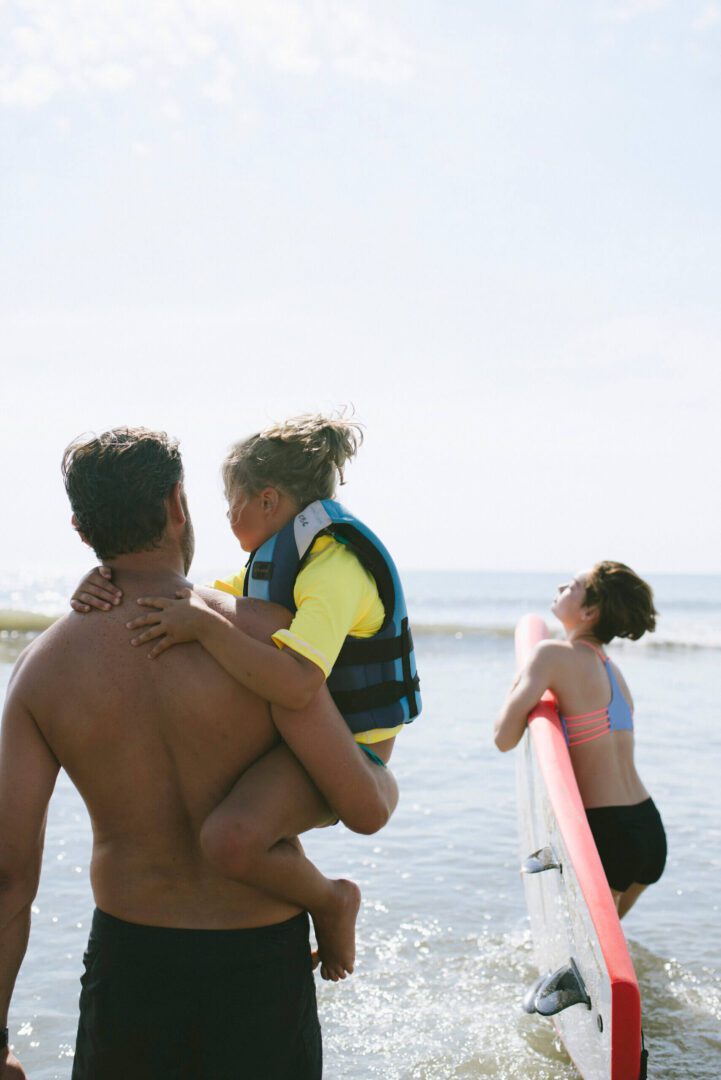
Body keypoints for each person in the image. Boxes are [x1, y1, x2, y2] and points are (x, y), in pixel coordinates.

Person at [0, 426, 394, 1080]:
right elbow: (348, 788)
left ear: (80, 528)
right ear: (177, 505)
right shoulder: (269, 639)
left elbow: (9, 877)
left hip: (131, 965)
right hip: (261, 964)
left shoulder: (42, 671)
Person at [71, 413, 419, 981]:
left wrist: (206, 631)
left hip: (355, 752)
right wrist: (105, 576)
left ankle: (331, 899)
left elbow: (298, 686)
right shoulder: (274, 562)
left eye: (231, 502)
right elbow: (193, 594)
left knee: (231, 840)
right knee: (233, 831)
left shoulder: (336, 567)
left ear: (266, 500)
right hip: (305, 745)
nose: (226, 516)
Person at [494, 561, 666, 918]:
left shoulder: (552, 655)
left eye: (572, 586)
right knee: (609, 959)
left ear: (589, 611)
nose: (561, 586)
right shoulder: (613, 672)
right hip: (648, 829)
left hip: (610, 832)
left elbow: (503, 736)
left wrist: (525, 676)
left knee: (597, 967)